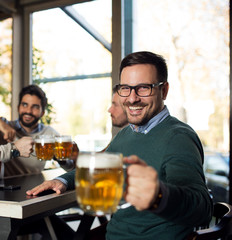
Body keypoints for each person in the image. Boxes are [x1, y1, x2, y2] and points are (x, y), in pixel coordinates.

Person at [27, 51, 213, 239]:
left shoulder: (178, 137)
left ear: (164, 91)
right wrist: (63, 181)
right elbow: (97, 167)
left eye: (143, 88)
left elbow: (203, 209)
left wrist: (159, 196)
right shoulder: (126, 132)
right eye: (125, 88)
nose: (131, 98)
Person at [0, 84, 75, 177]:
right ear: (18, 107)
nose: (28, 111)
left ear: (42, 112)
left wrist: (61, 159)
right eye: (24, 105)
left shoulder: (50, 133)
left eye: (35, 107)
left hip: (36, 187)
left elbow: (70, 168)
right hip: (6, 186)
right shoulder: (4, 127)